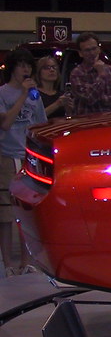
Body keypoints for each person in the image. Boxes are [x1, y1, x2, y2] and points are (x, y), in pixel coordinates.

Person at [0, 49, 46, 275]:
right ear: (12, 68)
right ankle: (8, 263)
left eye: (28, 65)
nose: (25, 69)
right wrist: (22, 96)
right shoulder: (3, 93)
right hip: (6, 156)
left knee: (26, 211)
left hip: (27, 156)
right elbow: (6, 123)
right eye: (21, 65)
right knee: (6, 214)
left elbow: (40, 124)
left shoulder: (34, 95)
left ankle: (26, 261)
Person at [67, 32, 111, 116]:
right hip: (88, 122)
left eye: (94, 49)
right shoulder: (77, 73)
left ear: (99, 49)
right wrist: (101, 75)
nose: (92, 53)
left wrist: (102, 99)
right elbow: (89, 98)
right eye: (87, 50)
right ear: (80, 53)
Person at [34, 55, 70, 119]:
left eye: (54, 67)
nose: (52, 70)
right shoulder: (34, 94)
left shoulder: (61, 94)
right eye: (47, 68)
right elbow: (34, 118)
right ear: (39, 72)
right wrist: (57, 104)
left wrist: (69, 108)